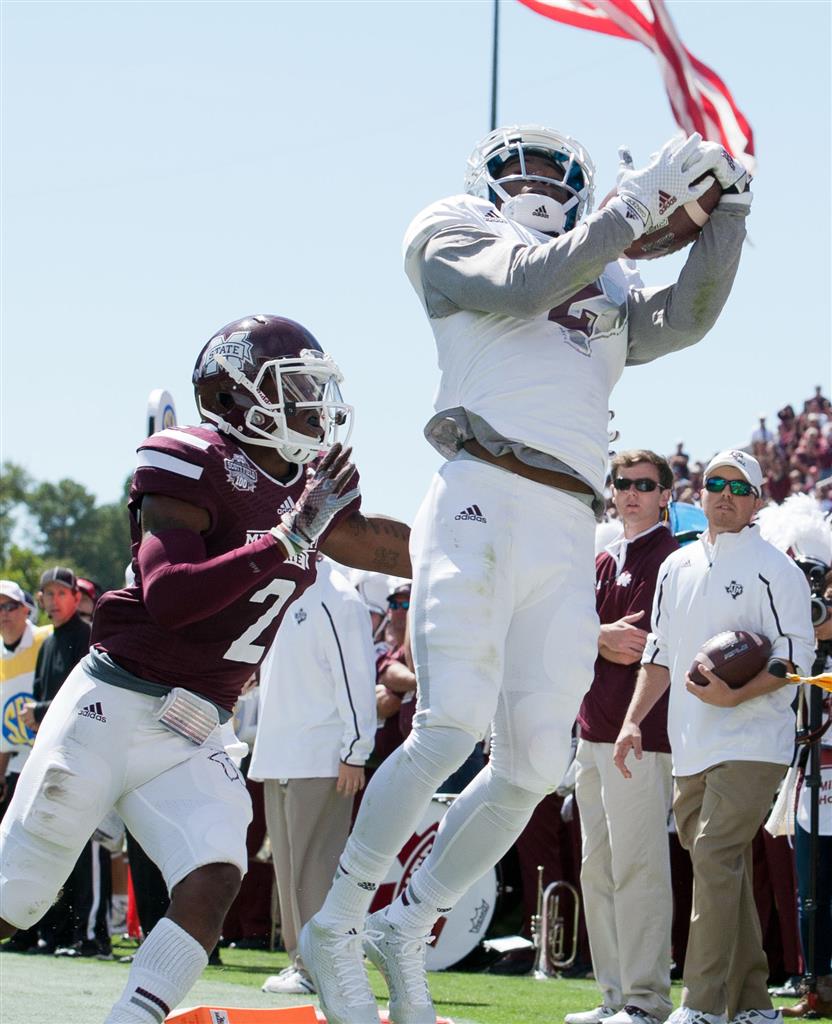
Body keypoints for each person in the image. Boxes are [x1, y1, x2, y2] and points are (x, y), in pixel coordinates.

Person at [300, 124, 753, 1024]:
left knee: (538, 761)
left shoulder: (607, 264)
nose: (540, 181)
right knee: (450, 723)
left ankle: (411, 918)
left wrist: (725, 215)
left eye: (557, 171)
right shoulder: (453, 226)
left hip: (565, 520)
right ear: (488, 180)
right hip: (481, 488)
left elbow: (686, 318)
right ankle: (338, 922)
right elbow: (524, 282)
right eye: (524, 167)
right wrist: (633, 209)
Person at [0, 314, 411, 1024]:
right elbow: (174, 594)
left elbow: (381, 547)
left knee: (213, 877)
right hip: (115, 704)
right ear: (232, 398)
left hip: (195, 725)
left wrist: (492, 546)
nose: (314, 404)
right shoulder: (191, 460)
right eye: (295, 388)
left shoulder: (305, 489)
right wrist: (288, 538)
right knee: (17, 900)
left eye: (315, 387)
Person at [613, 449, 816, 1024]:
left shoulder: (777, 568)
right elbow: (657, 651)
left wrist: (735, 695)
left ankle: (699, 1005)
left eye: (738, 487)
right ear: (699, 494)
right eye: (715, 483)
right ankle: (753, 1005)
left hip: (754, 738)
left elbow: (795, 655)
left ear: (756, 501)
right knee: (717, 867)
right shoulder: (674, 566)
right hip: (690, 742)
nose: (725, 494)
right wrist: (632, 720)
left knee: (715, 853)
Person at [567, 451, 678, 1024]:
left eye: (644, 484)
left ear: (665, 494)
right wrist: (594, 633)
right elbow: (580, 636)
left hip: (641, 736)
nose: (631, 492)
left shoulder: (670, 558)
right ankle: (614, 997)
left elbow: (635, 646)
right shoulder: (603, 559)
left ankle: (646, 999)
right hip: (592, 731)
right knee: (597, 868)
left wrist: (590, 633)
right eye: (622, 483)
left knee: (638, 867)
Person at [254, 557, 377, 996]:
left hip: (322, 757)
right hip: (278, 754)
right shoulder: (279, 591)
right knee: (289, 873)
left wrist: (355, 750)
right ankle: (302, 963)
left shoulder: (338, 596)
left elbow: (357, 677)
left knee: (316, 869)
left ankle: (321, 967)